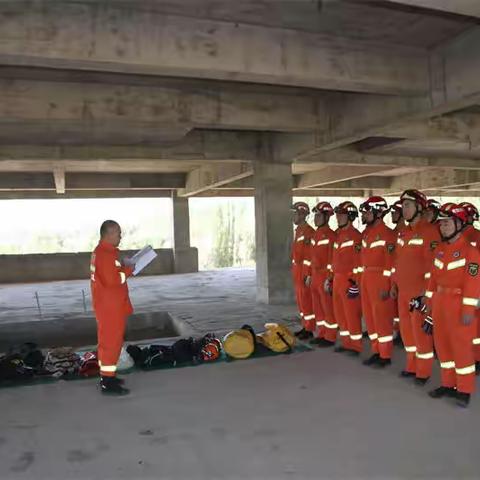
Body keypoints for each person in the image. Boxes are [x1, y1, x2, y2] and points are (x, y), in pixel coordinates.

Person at [424, 203, 480, 408]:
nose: (443, 227)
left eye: (447, 223)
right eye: (441, 224)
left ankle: (464, 389)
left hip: (458, 305)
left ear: (459, 224)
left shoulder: (471, 252)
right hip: (440, 303)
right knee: (443, 347)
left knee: (461, 349)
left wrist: (468, 309)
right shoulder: (440, 250)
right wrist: (429, 303)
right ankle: (448, 384)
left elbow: (473, 284)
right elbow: (432, 279)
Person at [390, 189, 440, 385]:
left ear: (419, 207)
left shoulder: (429, 231)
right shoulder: (403, 231)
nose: (404, 209)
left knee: (420, 334)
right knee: (407, 332)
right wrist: (394, 283)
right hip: (402, 290)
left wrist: (425, 294)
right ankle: (411, 366)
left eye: (408, 205)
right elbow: (398, 260)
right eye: (403, 205)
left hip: (418, 293)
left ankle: (423, 372)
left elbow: (432, 267)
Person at [90, 220, 135, 395]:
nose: (120, 236)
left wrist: (123, 267)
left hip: (106, 305)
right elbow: (113, 280)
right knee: (111, 343)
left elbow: (110, 274)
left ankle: (107, 375)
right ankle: (108, 383)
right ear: (108, 235)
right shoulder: (106, 254)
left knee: (107, 342)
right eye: (117, 233)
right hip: (110, 307)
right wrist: (129, 270)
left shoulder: (102, 252)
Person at [359, 197, 396, 368]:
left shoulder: (388, 234)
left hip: (380, 279)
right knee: (370, 318)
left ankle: (385, 354)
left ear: (379, 212)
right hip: (366, 278)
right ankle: (376, 350)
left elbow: (391, 264)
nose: (365, 215)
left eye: (367, 212)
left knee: (381, 319)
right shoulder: (366, 233)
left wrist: (387, 285)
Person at [331, 201, 363, 355]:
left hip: (348, 280)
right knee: (340, 313)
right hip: (337, 278)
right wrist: (330, 278)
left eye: (341, 215)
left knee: (351, 313)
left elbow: (359, 261)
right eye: (337, 214)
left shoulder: (355, 236)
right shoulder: (338, 235)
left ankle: (355, 346)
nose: (338, 217)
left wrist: (355, 282)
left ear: (350, 216)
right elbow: (334, 259)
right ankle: (346, 343)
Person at [306, 201, 337, 347]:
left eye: (318, 215)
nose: (315, 218)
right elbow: (311, 256)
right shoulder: (316, 234)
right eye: (315, 215)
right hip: (315, 275)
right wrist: (309, 275)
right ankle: (321, 333)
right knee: (317, 307)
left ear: (327, 217)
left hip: (324, 275)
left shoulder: (331, 235)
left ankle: (330, 337)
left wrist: (330, 278)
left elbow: (332, 259)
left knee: (327, 308)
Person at [458, 202, 480, 373]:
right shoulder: (457, 237)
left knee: (476, 327)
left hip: (475, 286)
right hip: (461, 289)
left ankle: (477, 358)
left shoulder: (476, 236)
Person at [291, 202, 316, 340]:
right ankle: (305, 325)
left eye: (294, 213)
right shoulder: (299, 230)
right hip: (297, 270)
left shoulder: (308, 232)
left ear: (302, 214)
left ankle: (310, 328)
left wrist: (307, 274)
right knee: (301, 301)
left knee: (306, 300)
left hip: (303, 271)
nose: (292, 216)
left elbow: (309, 256)